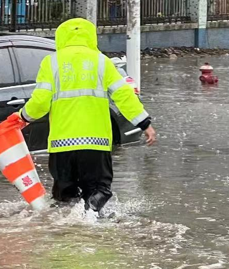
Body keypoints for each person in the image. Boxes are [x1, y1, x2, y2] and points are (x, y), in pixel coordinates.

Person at [17, 18, 156, 214]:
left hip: (61, 145)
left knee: (65, 196)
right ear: (91, 37)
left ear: (61, 37)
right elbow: (124, 96)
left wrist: (23, 116)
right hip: (95, 144)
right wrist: (144, 123)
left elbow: (40, 101)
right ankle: (89, 219)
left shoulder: (51, 62)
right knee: (99, 190)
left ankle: (65, 230)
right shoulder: (102, 62)